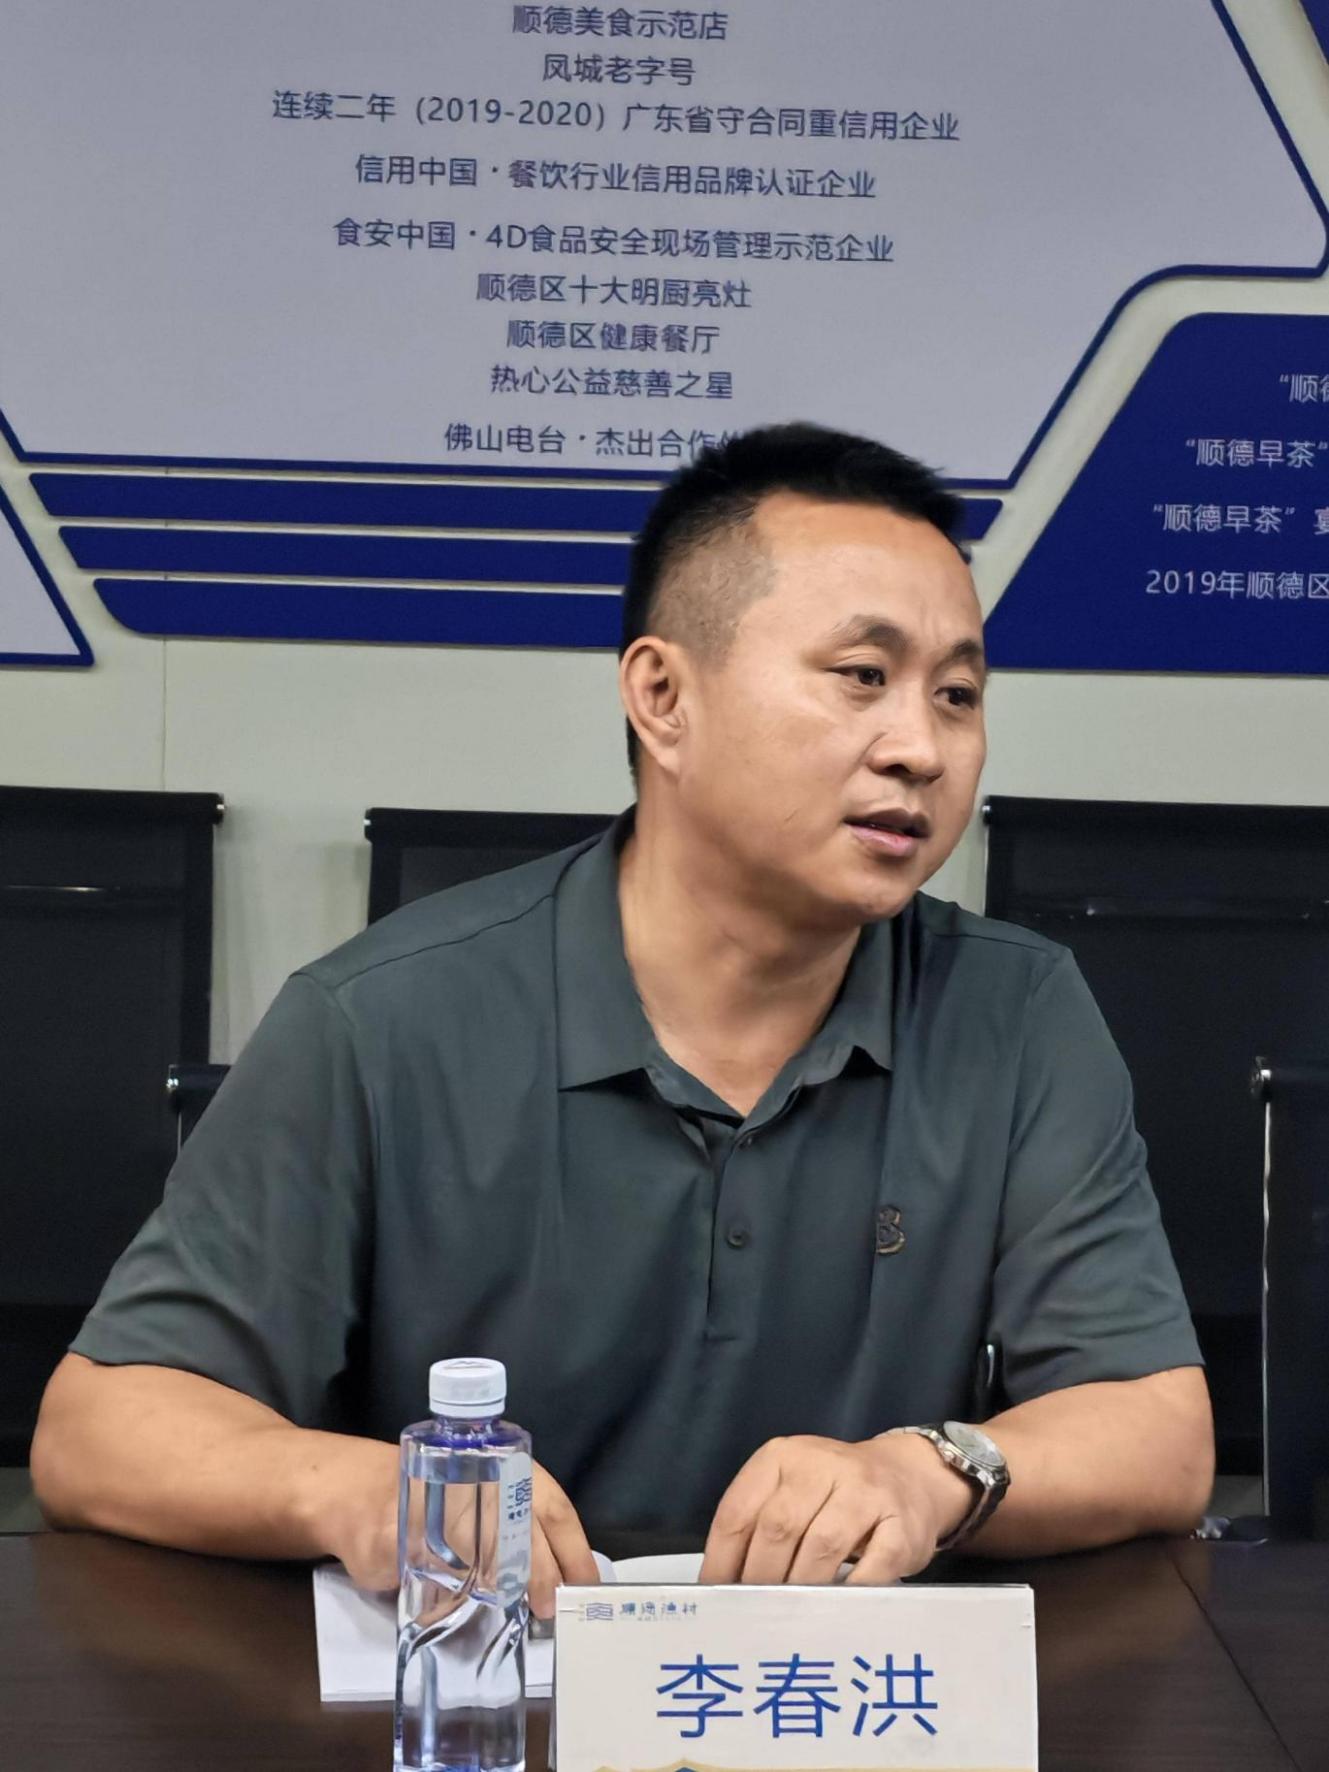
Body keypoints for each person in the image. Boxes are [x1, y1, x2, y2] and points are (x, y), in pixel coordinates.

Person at [32, 423, 1213, 1611]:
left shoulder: (1018, 1010)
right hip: (488, 1678)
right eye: (863, 674)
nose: (921, 748)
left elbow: (1159, 1430)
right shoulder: (381, 1021)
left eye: (956, 694)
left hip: (840, 1689)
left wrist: (933, 1469)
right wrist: (353, 1487)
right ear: (662, 696)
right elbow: (101, 1426)